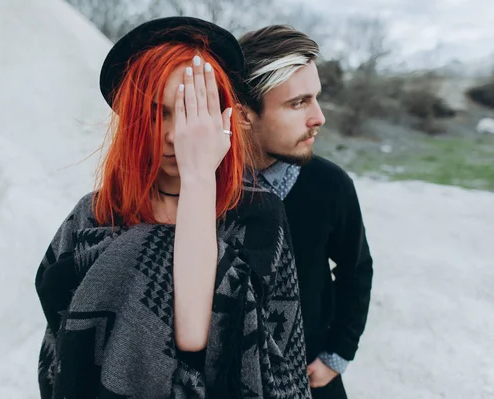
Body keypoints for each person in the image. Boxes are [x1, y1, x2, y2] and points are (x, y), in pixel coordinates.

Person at [35, 17, 311, 399]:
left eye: (191, 111)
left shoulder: (256, 212)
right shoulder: (94, 214)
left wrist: (199, 178)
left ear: (222, 118)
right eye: (155, 112)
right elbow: (60, 352)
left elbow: (200, 337)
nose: (174, 133)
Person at [237, 25, 374, 399]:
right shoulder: (204, 191)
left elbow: (356, 269)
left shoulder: (329, 184)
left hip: (310, 377)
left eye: (315, 99)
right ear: (244, 114)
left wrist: (336, 356)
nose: (319, 117)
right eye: (298, 103)